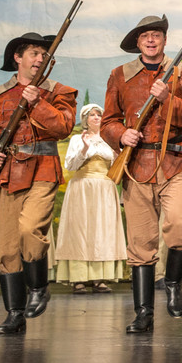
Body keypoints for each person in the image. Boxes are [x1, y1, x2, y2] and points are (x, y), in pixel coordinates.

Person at [101, 15, 182, 334]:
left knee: (179, 225)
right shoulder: (119, 75)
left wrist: (167, 99)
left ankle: (173, 283)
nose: (151, 40)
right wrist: (121, 134)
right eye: (145, 35)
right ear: (138, 42)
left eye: (156, 35)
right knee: (141, 242)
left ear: (164, 40)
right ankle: (143, 313)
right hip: (136, 165)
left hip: (175, 163)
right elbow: (108, 121)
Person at [0, 32, 77, 334]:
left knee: (30, 230)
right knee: (7, 247)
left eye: (44, 55)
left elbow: (63, 127)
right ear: (18, 58)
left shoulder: (59, 92)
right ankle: (14, 314)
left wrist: (37, 101)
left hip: (43, 170)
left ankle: (39, 287)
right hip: (6, 175)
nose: (39, 59)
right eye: (33, 53)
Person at [55, 104, 126, 294]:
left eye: (99, 115)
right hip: (83, 187)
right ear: (85, 119)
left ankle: (99, 278)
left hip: (104, 188)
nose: (96, 118)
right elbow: (70, 165)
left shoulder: (109, 140)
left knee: (102, 230)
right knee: (80, 230)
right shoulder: (78, 139)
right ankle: (78, 278)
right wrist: (84, 148)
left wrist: (118, 155)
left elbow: (117, 166)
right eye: (92, 115)